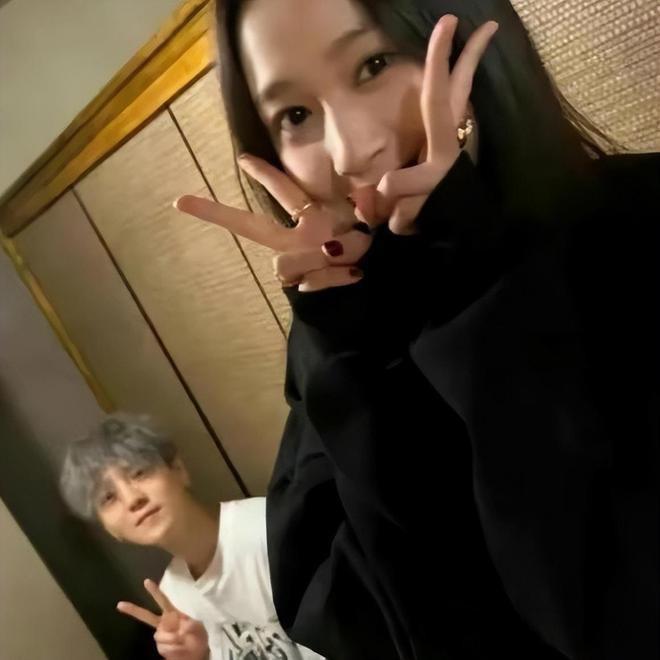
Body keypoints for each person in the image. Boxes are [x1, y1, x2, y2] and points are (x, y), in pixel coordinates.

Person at [173, 0, 659, 658]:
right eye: (295, 115)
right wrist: (352, 354)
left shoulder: (638, 219)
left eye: (374, 64)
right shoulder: (337, 334)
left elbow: (609, 610)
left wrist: (477, 275)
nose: (351, 151)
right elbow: (356, 621)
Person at [59, 413, 324, 660]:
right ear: (110, 530)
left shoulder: (270, 529)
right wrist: (200, 656)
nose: (132, 499)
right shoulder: (173, 597)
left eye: (139, 472)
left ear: (178, 469)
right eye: (108, 497)